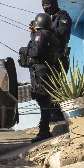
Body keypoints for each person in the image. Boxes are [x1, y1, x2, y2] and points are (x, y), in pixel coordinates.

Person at [19, 13, 61, 142]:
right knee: (45, 100)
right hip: (47, 70)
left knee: (43, 101)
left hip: (40, 72)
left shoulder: (41, 35)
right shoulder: (51, 35)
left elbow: (36, 52)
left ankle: (44, 131)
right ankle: (43, 129)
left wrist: (23, 50)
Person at [41, 0, 73, 68]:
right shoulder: (46, 19)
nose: (45, 8)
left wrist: (48, 32)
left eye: (47, 5)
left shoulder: (62, 16)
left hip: (59, 55)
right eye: (44, 6)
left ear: (53, 4)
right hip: (47, 57)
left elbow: (62, 30)